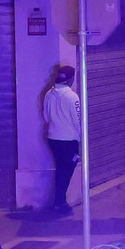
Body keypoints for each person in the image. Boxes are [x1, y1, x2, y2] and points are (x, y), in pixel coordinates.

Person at [42, 64, 82, 217]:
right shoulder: (72, 97)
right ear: (71, 79)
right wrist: (81, 138)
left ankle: (59, 201)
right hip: (69, 140)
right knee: (67, 170)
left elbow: (46, 117)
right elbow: (77, 120)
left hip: (53, 138)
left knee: (61, 168)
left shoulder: (48, 94)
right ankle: (60, 202)